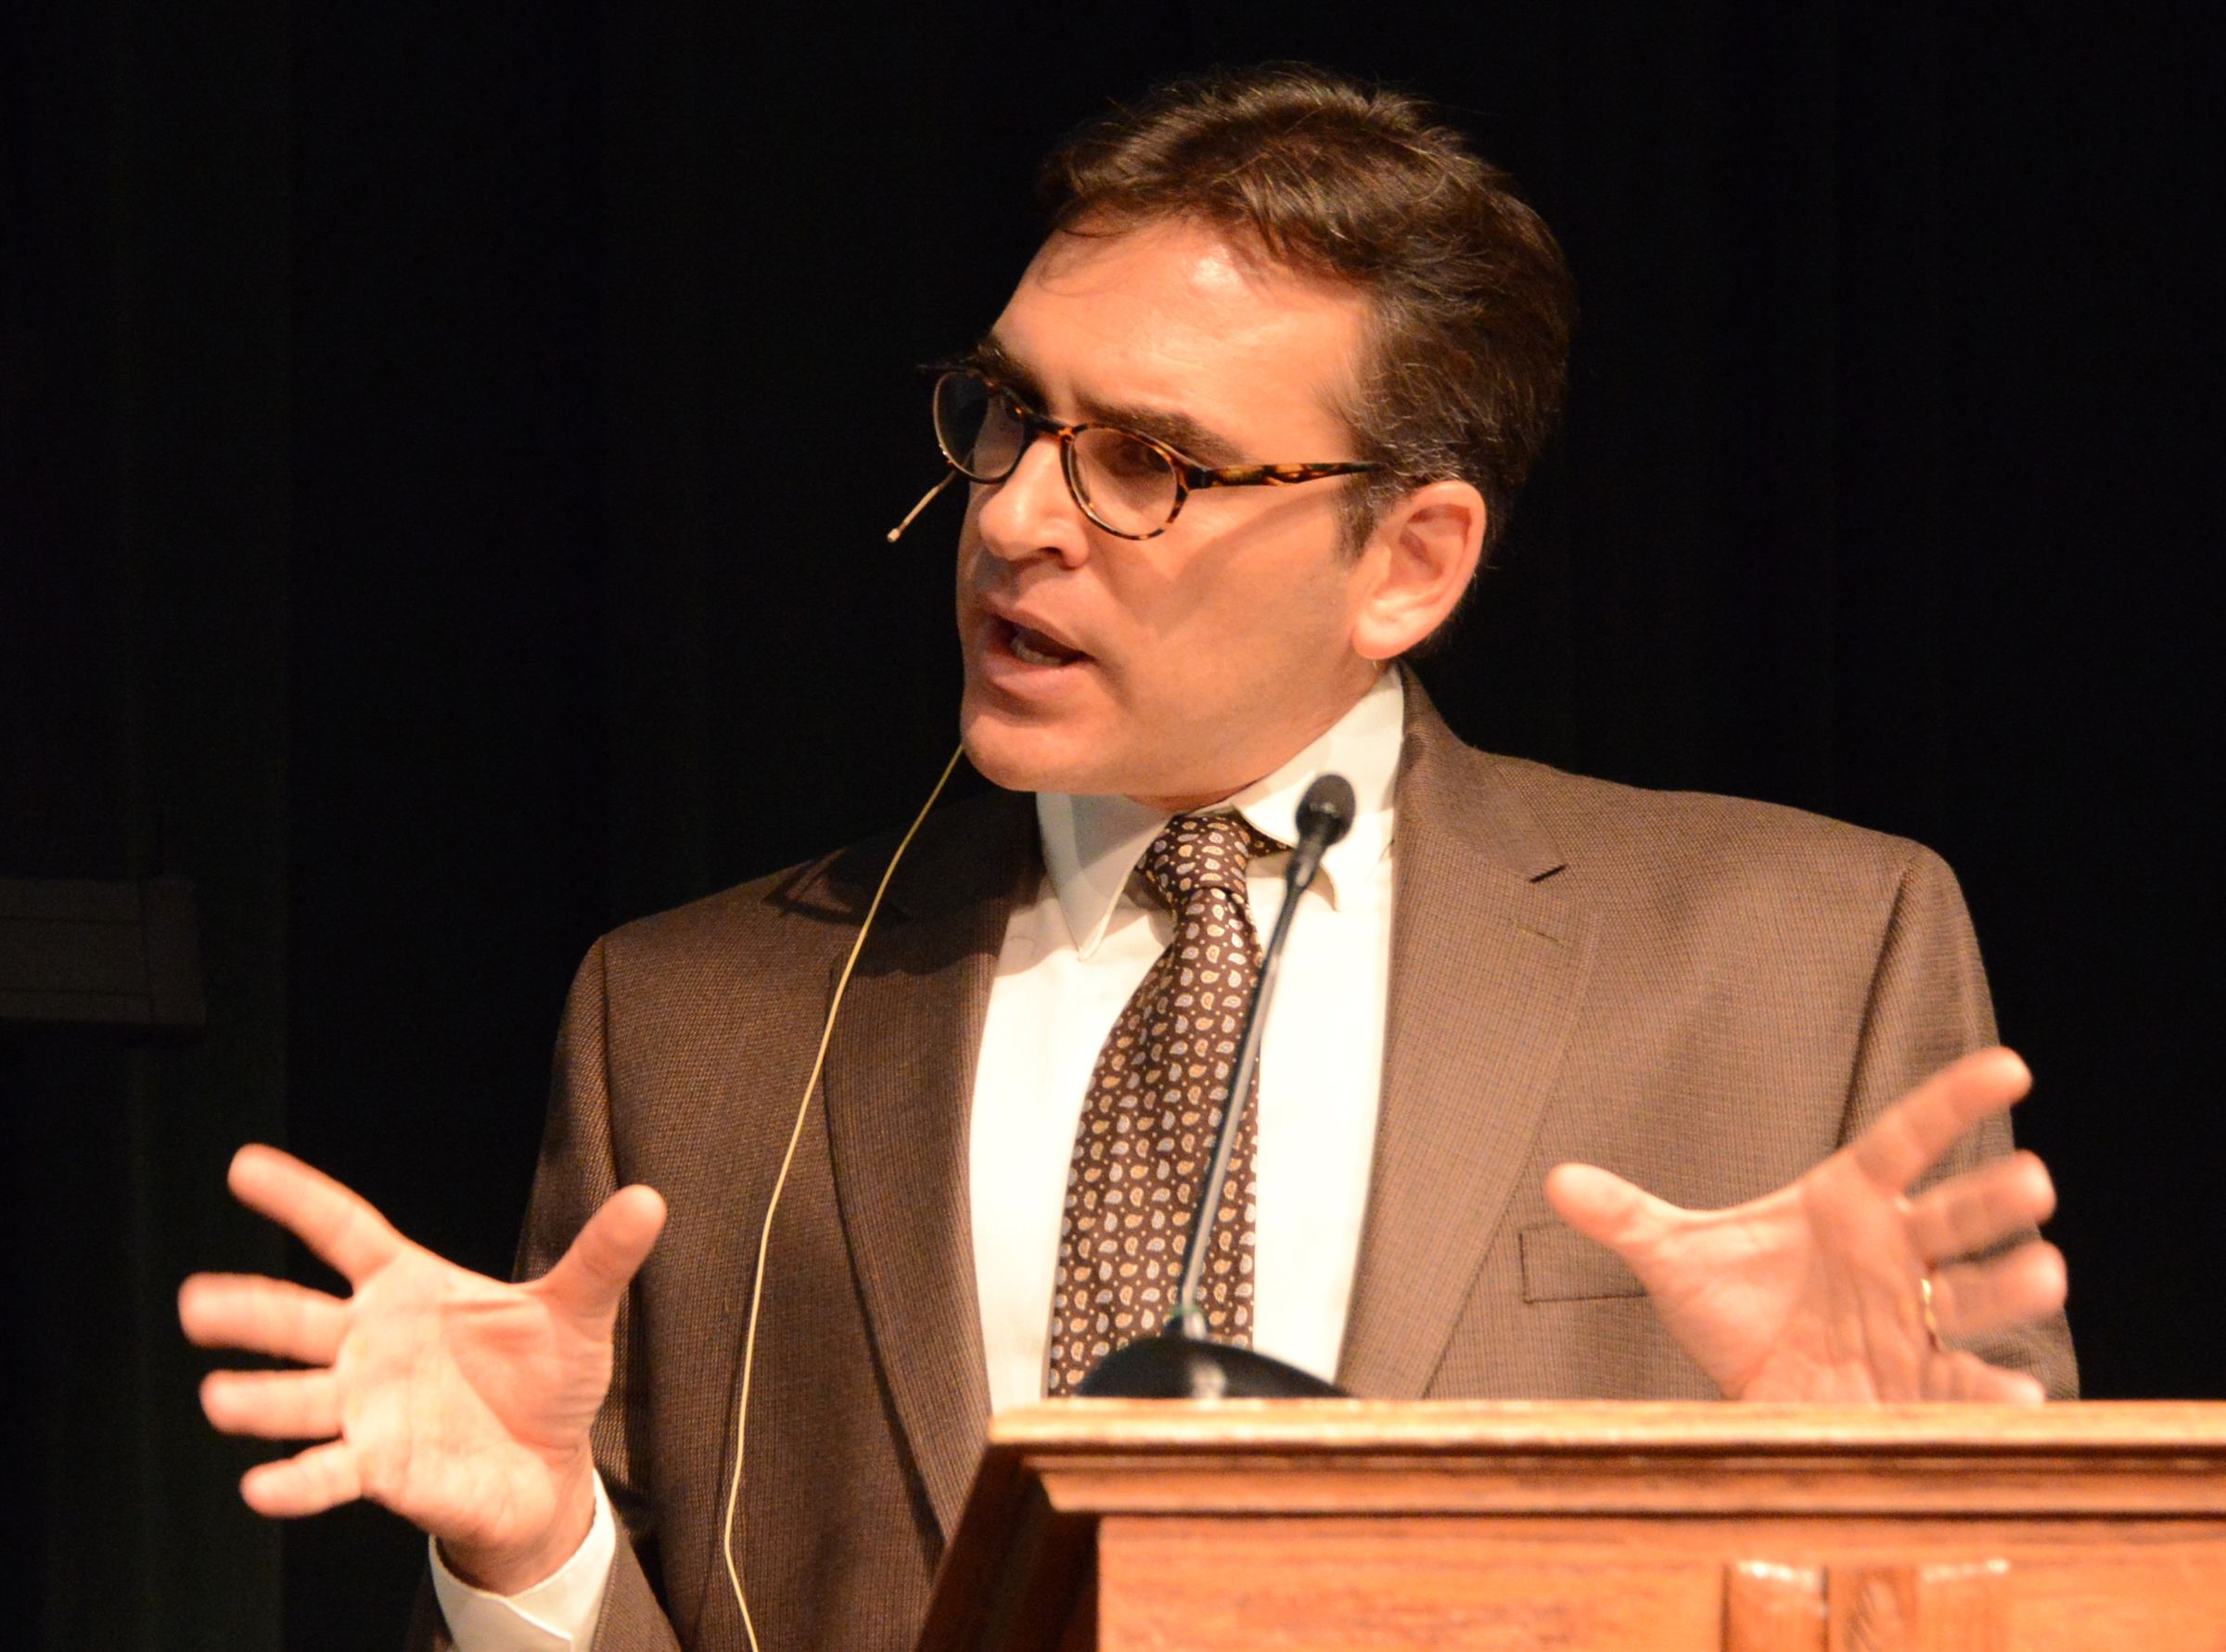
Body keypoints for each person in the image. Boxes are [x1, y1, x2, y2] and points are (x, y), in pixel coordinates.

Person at [178, 64, 2075, 1652]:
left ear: (1409, 559)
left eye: (1147, 462)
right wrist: (536, 1558)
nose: (1013, 516)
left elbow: (2035, 1603)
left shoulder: (1800, 957)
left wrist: (1904, 1531)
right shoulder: (693, 1023)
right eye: (1011, 414)